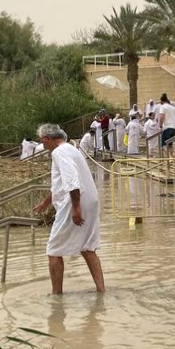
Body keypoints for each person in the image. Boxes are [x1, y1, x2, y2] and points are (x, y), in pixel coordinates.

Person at [33, 124, 105, 295]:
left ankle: (56, 294)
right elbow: (61, 185)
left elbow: (72, 181)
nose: (44, 146)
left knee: (53, 250)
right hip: (90, 200)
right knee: (88, 248)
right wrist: (45, 203)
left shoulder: (59, 152)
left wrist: (75, 208)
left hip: (76, 201)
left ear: (47, 139)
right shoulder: (71, 149)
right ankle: (101, 290)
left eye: (43, 142)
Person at [159, 93, 175, 158]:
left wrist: (160, 125)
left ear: (162, 101)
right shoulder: (172, 107)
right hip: (174, 128)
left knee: (163, 145)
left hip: (167, 127)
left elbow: (162, 116)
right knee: (170, 144)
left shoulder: (163, 107)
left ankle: (170, 157)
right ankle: (171, 156)